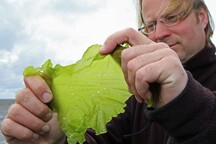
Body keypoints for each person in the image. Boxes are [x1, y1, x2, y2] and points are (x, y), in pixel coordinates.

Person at [1, 0, 216, 143]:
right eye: (150, 25)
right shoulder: (135, 91)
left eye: (172, 17)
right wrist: (58, 138)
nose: (159, 33)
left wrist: (186, 103)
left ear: (202, 17)